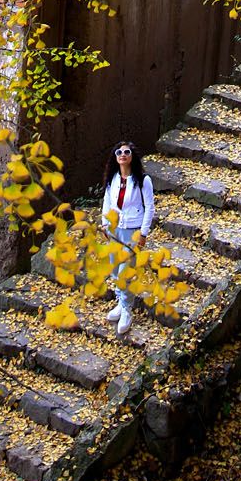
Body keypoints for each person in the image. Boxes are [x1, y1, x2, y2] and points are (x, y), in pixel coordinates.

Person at [101, 140, 154, 338]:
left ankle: (127, 310)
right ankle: (120, 303)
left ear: (132, 156)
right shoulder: (113, 178)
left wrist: (143, 233)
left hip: (133, 230)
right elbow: (107, 201)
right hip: (115, 229)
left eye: (127, 152)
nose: (122, 155)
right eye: (119, 152)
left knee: (126, 271)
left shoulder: (143, 180)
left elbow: (149, 207)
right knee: (115, 269)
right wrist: (105, 223)